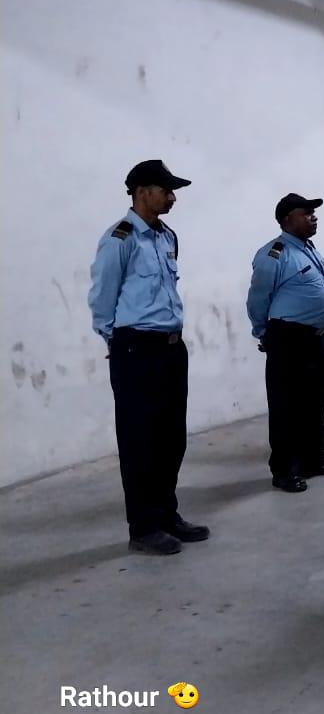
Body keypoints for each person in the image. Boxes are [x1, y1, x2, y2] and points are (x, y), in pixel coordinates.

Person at [88, 159, 209, 556]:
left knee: (171, 438)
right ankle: (142, 528)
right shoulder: (120, 239)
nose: (173, 197)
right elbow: (102, 299)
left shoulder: (166, 236)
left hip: (171, 349)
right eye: (166, 190)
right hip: (136, 350)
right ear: (142, 192)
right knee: (140, 440)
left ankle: (166, 514)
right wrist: (119, 341)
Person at [246, 193, 324, 493]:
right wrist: (263, 333)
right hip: (289, 339)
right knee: (287, 406)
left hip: (316, 338)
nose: (313, 217)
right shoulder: (274, 254)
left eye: (313, 213)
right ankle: (285, 469)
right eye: (306, 213)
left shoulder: (308, 249)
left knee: (316, 401)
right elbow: (258, 299)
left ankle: (313, 459)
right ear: (286, 219)